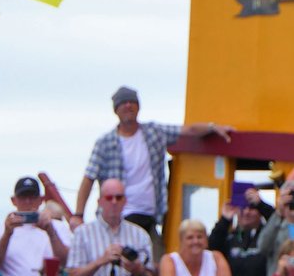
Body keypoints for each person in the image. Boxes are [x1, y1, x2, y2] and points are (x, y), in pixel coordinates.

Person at [71, 86, 233, 259]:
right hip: (120, 217)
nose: (128, 106)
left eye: (132, 102)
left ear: (138, 107)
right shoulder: (105, 143)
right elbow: (88, 178)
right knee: (119, 264)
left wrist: (212, 127)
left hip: (150, 217)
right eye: (123, 103)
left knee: (156, 266)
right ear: (116, 110)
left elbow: (188, 131)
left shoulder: (154, 132)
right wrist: (78, 215)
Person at [65, 178, 155, 276]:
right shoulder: (82, 234)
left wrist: (138, 270)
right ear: (99, 202)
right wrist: (100, 261)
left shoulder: (141, 235)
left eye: (118, 198)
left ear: (125, 201)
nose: (114, 202)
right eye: (109, 198)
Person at [0, 176, 72, 276]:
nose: (28, 202)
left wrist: (51, 232)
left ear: (41, 200)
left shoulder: (58, 227)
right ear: (14, 200)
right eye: (23, 197)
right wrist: (7, 235)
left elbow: (66, 263)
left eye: (32, 197)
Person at [208, 187, 275, 276]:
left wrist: (262, 205)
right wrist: (225, 219)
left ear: (260, 212)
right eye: (243, 208)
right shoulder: (229, 237)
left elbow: (279, 223)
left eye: (252, 208)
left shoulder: (268, 237)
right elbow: (212, 247)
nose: (246, 212)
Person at [159, 219, 236, 276]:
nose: (195, 241)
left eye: (200, 237)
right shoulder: (169, 260)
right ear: (181, 241)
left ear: (206, 240)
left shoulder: (216, 257)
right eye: (190, 238)